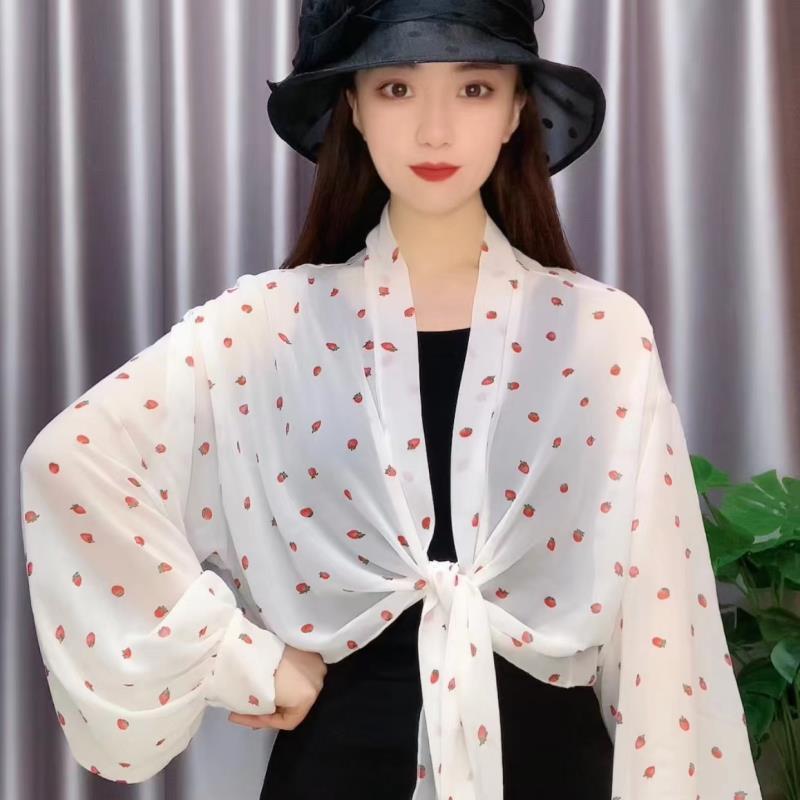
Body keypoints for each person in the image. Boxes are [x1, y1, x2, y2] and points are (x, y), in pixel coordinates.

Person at [18, 1, 764, 799]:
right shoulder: (271, 326)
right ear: (354, 106)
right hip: (338, 772)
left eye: (474, 89)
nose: (435, 132)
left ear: (517, 110)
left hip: (554, 771)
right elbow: (72, 464)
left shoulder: (601, 334)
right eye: (397, 89)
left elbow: (660, 632)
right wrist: (242, 657)